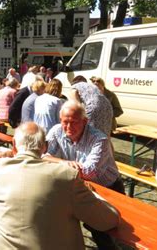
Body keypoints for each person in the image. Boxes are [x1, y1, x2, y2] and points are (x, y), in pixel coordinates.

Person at [0, 122, 120, 250]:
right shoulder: (67, 176)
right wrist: (93, 195)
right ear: (45, 146)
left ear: (14, 144)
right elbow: (108, 220)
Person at [44, 101, 124, 249]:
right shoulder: (56, 131)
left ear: (85, 121)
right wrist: (63, 162)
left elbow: (88, 172)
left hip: (108, 188)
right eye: (65, 122)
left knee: (102, 230)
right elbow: (43, 156)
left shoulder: (99, 139)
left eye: (73, 122)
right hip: (80, 186)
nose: (68, 127)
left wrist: (57, 162)